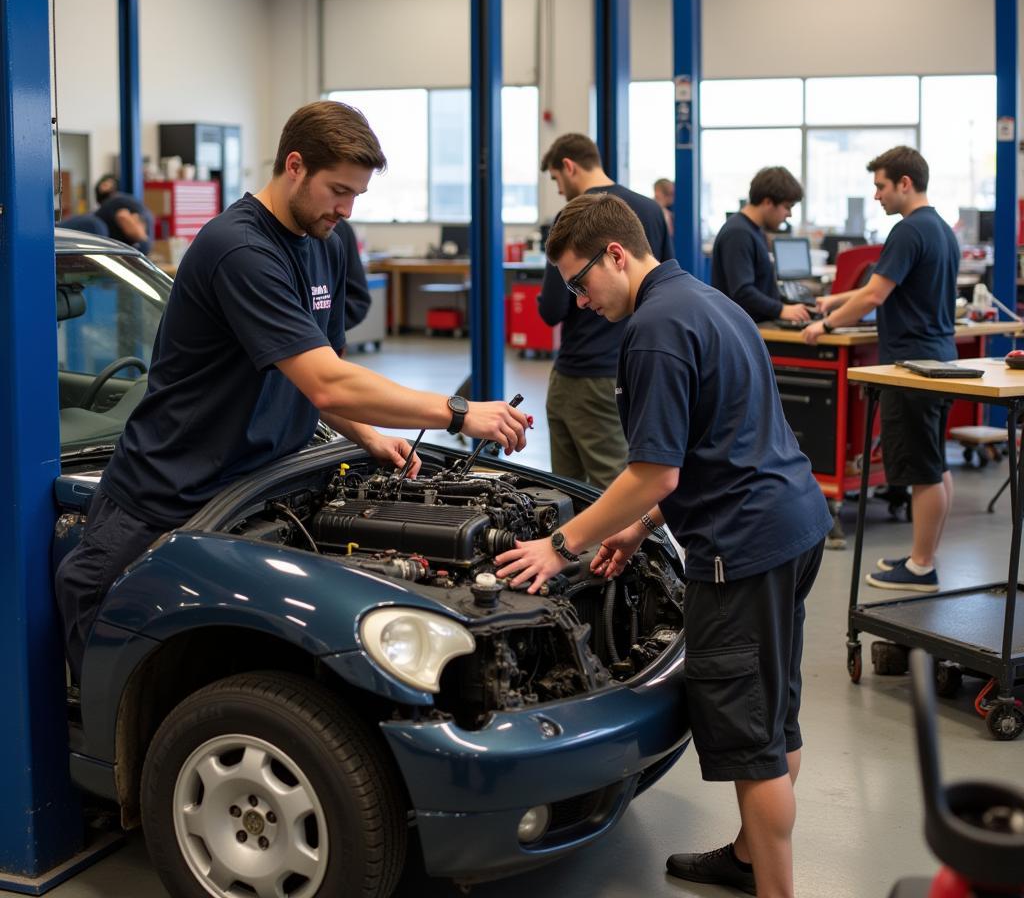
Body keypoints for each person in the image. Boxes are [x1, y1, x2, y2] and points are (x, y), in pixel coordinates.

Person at [55, 101, 530, 681]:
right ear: (295, 166)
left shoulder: (326, 240)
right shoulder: (240, 249)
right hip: (169, 497)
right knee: (106, 658)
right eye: (338, 190)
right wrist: (457, 413)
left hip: (265, 482)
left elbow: (320, 367)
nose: (347, 209)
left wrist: (369, 436)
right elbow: (327, 385)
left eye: (356, 195)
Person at [495, 192, 830, 898]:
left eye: (580, 283)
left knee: (753, 744)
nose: (580, 302)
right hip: (794, 528)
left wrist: (562, 544)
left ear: (616, 254)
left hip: (743, 549)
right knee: (775, 711)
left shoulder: (652, 330)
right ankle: (746, 859)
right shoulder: (708, 302)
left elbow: (655, 470)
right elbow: (720, 438)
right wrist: (642, 524)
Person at [802, 146, 958, 593]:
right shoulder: (940, 228)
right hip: (939, 357)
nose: (877, 196)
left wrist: (825, 324)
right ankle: (921, 555)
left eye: (881, 186)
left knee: (922, 467)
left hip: (911, 366)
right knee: (935, 463)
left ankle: (922, 565)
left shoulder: (908, 231)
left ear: (904, 183)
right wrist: (834, 300)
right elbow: (881, 286)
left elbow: (873, 297)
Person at [537, 133, 673, 488]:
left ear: (568, 166)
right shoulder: (649, 211)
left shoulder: (572, 218)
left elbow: (551, 309)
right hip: (632, 364)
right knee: (618, 477)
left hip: (583, 373)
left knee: (578, 493)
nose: (559, 189)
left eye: (555, 179)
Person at [711, 166, 810, 324]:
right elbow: (742, 291)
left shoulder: (754, 231)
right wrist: (781, 310)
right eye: (787, 207)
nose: (789, 215)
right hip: (743, 329)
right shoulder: (738, 233)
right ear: (768, 202)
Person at [93, 174, 153, 254]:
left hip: (133, 250)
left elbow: (123, 216)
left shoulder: (113, 204)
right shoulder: (127, 200)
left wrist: (142, 242)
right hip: (136, 250)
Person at [333, 215, 371, 340]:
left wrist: (328, 327)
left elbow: (358, 297)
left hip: (327, 345)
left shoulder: (339, 228)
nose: (346, 212)